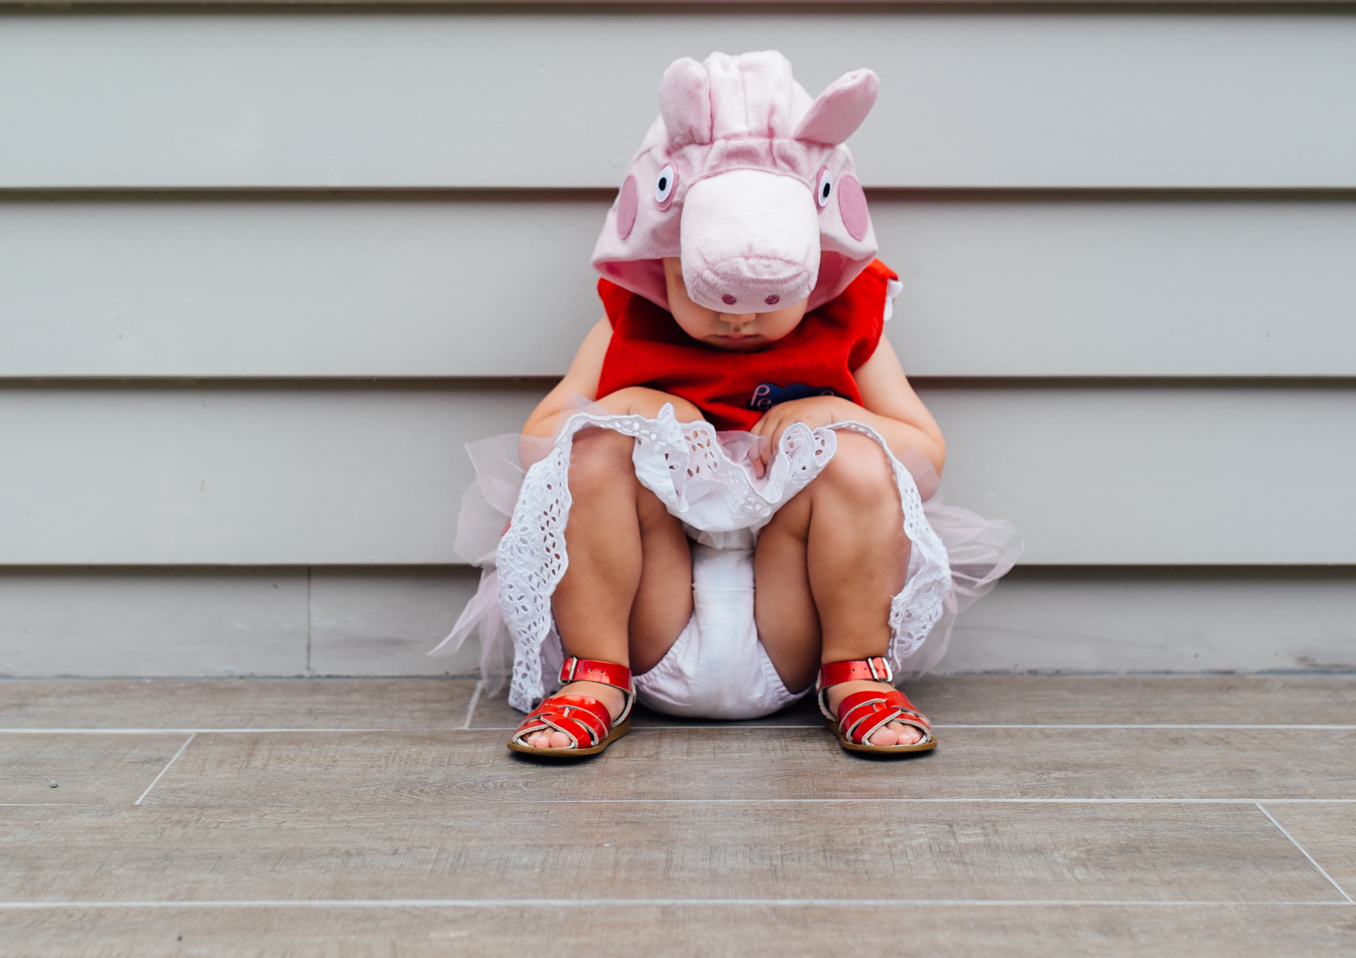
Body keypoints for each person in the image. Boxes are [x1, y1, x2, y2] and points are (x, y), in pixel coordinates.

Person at [432, 51, 1018, 759]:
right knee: (588, 451)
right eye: (701, 291)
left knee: (865, 459)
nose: (736, 321)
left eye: (770, 297)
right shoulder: (631, 320)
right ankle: (594, 678)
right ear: (662, 261)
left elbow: (924, 456)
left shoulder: (848, 318)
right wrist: (631, 404)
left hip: (794, 618)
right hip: (654, 614)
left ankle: (857, 674)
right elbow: (539, 447)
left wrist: (836, 412)